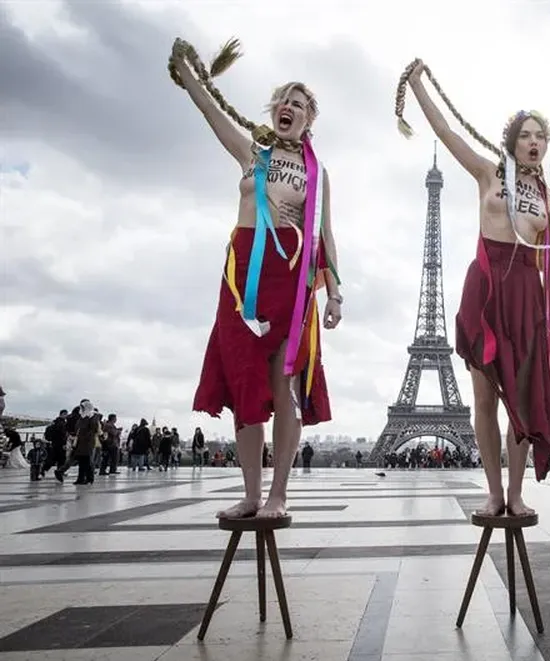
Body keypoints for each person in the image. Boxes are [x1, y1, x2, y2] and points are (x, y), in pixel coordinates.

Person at [396, 59, 550, 516]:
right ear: (512, 141)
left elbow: (545, 254)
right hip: (487, 288)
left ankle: (515, 493)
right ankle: (493, 492)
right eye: (526, 134)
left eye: (540, 136)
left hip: (527, 294)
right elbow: (448, 133)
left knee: (522, 399)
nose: (534, 142)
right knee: (484, 398)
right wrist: (417, 88)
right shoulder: (490, 173)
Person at [169, 38, 343, 518]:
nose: (290, 107)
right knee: (244, 382)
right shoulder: (253, 152)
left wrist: (335, 293)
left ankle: (278, 494)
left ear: (310, 119)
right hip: (241, 276)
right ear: (274, 111)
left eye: (301, 104)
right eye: (284, 101)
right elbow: (211, 113)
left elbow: (324, 231)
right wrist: (188, 75)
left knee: (285, 384)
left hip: (289, 275)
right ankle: (250, 494)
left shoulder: (316, 172)